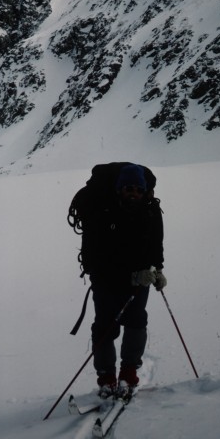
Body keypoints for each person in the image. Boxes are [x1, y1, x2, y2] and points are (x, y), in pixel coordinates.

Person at [81, 163, 167, 397]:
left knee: (136, 321)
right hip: (106, 280)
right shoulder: (102, 213)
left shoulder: (150, 212)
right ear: (120, 189)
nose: (134, 193)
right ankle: (106, 377)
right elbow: (93, 255)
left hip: (139, 282)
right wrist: (129, 274)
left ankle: (129, 372)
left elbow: (155, 245)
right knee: (104, 326)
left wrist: (157, 270)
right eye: (129, 188)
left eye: (139, 190)